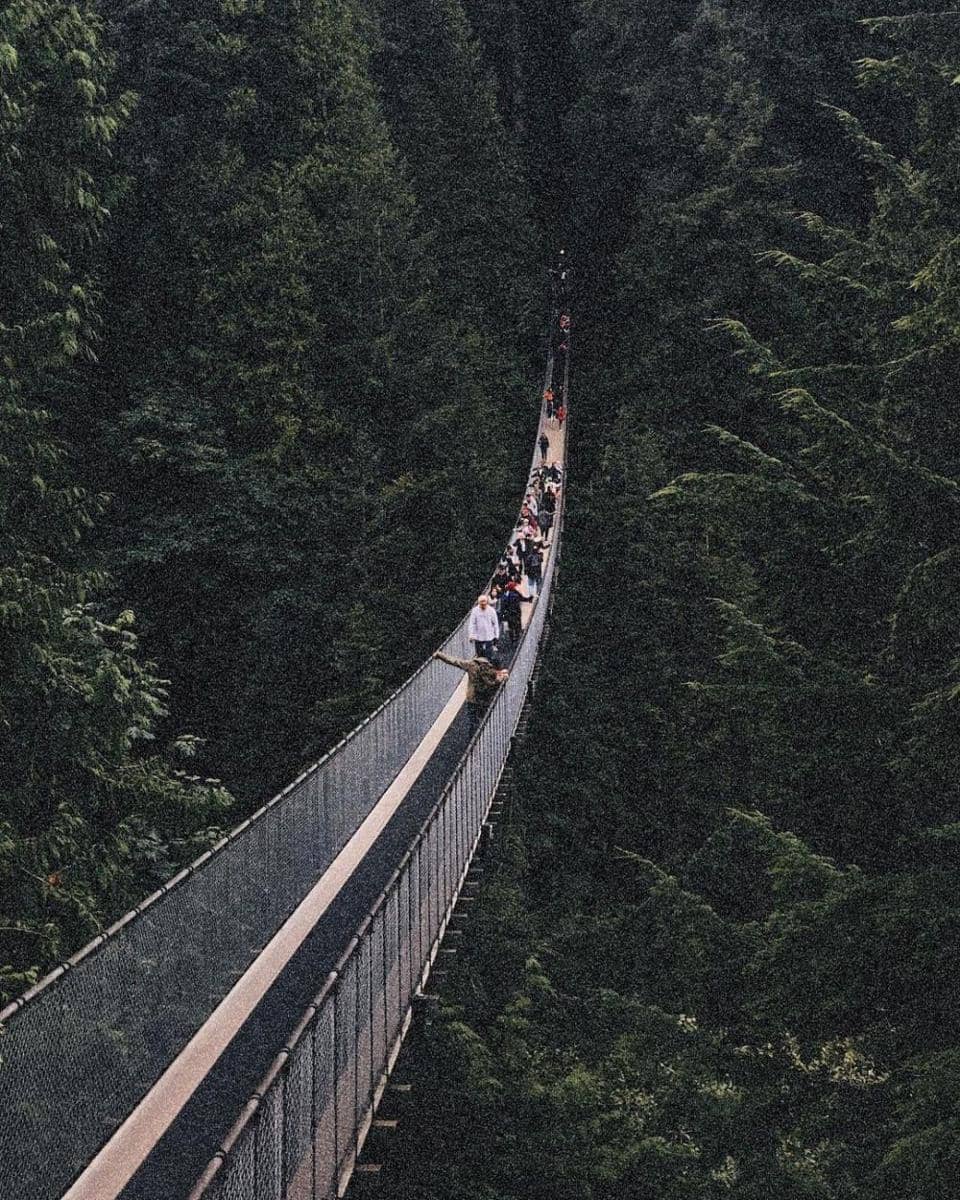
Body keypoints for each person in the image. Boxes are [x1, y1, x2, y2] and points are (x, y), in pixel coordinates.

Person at [434, 650, 509, 731]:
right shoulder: (489, 668)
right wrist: (500, 679)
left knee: (473, 721)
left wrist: (440, 655)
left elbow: (454, 661)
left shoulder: (471, 665)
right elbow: (491, 683)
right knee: (485, 720)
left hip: (472, 697)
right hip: (484, 698)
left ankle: (474, 735)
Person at [467, 593, 499, 660]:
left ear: (487, 602)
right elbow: (472, 623)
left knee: (489, 655)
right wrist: (471, 635)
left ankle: (488, 667)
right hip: (478, 637)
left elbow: (495, 623)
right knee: (480, 656)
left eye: (485, 604)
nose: (483, 605)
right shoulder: (475, 611)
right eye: (481, 604)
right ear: (479, 603)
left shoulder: (491, 610)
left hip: (489, 636)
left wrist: (496, 635)